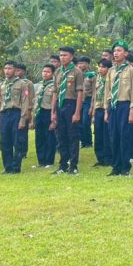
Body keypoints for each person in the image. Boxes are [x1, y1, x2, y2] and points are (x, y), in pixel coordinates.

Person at [104, 40, 133, 176]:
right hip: (113, 106)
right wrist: (107, 110)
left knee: (124, 136)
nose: (116, 53)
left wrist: (132, 110)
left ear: (126, 53)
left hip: (125, 105)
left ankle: (125, 167)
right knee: (113, 136)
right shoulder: (111, 71)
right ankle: (116, 166)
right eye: (115, 51)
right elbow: (108, 91)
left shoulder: (131, 70)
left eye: (119, 50)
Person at [51, 47, 85, 175]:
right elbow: (55, 92)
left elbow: (80, 93)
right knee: (61, 136)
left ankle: (73, 165)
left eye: (65, 55)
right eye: (60, 55)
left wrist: (77, 112)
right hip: (60, 104)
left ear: (71, 57)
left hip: (71, 105)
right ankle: (62, 165)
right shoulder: (58, 72)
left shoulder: (77, 72)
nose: (62, 57)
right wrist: (53, 111)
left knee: (72, 136)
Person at [0, 60, 30, 174]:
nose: (7, 71)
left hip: (16, 113)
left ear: (15, 70)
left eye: (10, 68)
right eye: (5, 68)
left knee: (17, 141)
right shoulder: (1, 85)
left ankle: (16, 167)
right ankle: (7, 166)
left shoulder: (22, 84)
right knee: (4, 142)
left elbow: (25, 101)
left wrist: (23, 118)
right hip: (4, 114)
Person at [33, 64, 57, 168]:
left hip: (48, 112)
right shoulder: (40, 85)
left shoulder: (55, 85)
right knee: (39, 137)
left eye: (47, 72)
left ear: (52, 73)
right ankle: (41, 161)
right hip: (39, 112)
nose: (45, 73)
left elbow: (55, 102)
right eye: (43, 71)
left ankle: (49, 161)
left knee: (50, 137)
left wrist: (54, 118)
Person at [91, 59, 114, 167]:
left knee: (107, 134)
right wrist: (93, 110)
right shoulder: (98, 79)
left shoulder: (111, 78)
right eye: (99, 66)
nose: (101, 69)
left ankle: (108, 158)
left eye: (103, 67)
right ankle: (100, 158)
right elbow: (95, 95)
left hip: (107, 108)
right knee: (98, 134)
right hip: (98, 108)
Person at [77, 57, 96, 148]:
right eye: (79, 63)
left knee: (85, 121)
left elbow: (94, 92)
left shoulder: (91, 75)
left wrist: (92, 106)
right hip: (78, 101)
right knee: (79, 122)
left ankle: (88, 142)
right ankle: (82, 141)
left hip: (88, 100)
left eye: (83, 63)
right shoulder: (76, 75)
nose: (81, 65)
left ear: (88, 64)